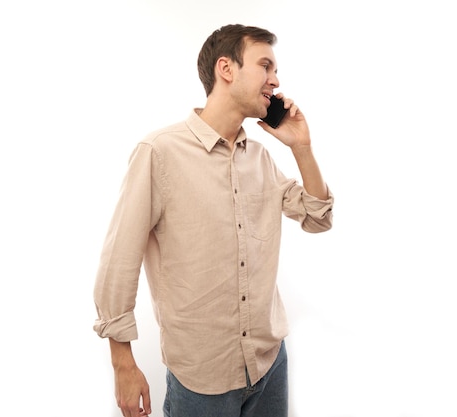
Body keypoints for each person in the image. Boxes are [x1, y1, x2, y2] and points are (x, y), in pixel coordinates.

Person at [93, 23, 334, 417]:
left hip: (270, 364)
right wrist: (122, 361)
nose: (276, 80)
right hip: (201, 382)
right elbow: (119, 261)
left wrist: (302, 148)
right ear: (227, 69)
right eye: (266, 66)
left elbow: (317, 217)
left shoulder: (259, 158)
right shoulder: (159, 152)